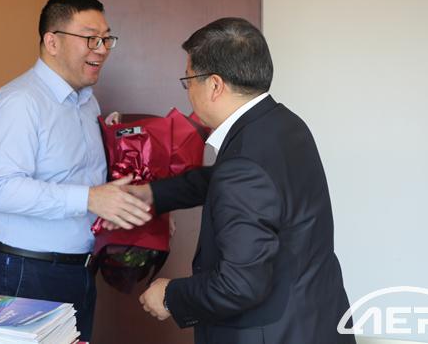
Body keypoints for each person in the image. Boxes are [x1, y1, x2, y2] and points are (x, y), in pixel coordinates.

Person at [132, 17, 355, 344]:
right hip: (314, 320)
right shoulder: (284, 125)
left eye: (188, 80)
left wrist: (170, 296)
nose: (188, 92)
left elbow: (239, 285)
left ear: (215, 85)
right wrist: (152, 194)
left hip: (270, 333)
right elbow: (226, 181)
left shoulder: (243, 164)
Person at [0, 0, 152, 341]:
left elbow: (88, 180)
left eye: (106, 39)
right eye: (90, 38)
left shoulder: (87, 103)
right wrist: (90, 198)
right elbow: (1, 189)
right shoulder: (19, 102)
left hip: (78, 269)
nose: (101, 49)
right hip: (26, 272)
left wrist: (142, 206)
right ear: (52, 42)